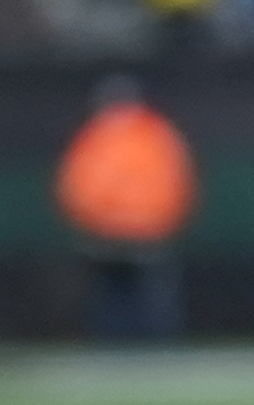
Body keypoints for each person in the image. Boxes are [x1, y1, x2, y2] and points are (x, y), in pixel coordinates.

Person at [52, 78, 194, 345]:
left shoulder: (96, 135)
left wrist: (93, 221)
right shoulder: (157, 133)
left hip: (111, 231)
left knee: (116, 296)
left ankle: (119, 348)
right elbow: (177, 180)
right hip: (146, 229)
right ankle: (153, 348)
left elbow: (75, 185)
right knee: (144, 295)